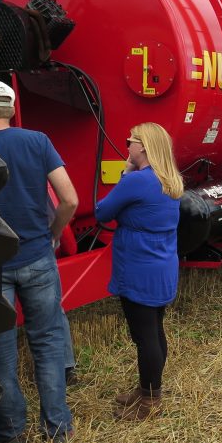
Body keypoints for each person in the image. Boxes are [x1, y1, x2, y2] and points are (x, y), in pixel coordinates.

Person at [0, 79, 77, 443]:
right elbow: (68, 198)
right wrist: (52, 235)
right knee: (49, 342)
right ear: (11, 108)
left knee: (0, 350)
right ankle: (58, 429)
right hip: (37, 256)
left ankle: (8, 434)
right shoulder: (37, 141)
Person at [96, 122, 183, 420]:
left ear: (142, 147)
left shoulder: (137, 181)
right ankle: (148, 389)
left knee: (144, 336)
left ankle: (149, 402)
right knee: (155, 331)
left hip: (138, 267)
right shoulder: (168, 179)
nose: (126, 145)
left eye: (130, 141)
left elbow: (101, 212)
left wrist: (125, 174)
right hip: (161, 264)